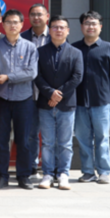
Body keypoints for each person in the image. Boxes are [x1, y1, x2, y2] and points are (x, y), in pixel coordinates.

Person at [73, 11, 110, 185]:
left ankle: (103, 171)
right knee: (83, 139)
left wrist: (105, 90)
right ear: (81, 26)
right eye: (87, 23)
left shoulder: (109, 48)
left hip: (101, 101)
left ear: (100, 27)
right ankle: (88, 172)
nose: (91, 27)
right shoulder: (75, 48)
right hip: (79, 101)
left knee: (102, 138)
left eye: (94, 23)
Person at [0, 9, 39, 190]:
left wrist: (8, 77)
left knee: (24, 141)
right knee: (1, 140)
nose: (12, 25)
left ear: (21, 24)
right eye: (9, 22)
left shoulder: (30, 47)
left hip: (24, 99)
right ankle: (1, 176)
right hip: (1, 99)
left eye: (16, 22)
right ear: (3, 25)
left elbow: (31, 73)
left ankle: (24, 176)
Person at [36, 16, 83, 191]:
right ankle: (48, 174)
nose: (58, 30)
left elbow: (77, 77)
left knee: (65, 143)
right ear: (49, 30)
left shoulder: (76, 52)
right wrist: (50, 93)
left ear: (68, 31)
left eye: (62, 27)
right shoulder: (40, 52)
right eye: (55, 27)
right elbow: (37, 76)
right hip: (45, 103)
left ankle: (63, 174)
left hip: (67, 104)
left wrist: (58, 94)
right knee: (47, 142)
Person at [21, 3, 50, 178]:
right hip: (28, 94)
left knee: (49, 135)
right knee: (31, 135)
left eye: (40, 14)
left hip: (49, 95)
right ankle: (32, 166)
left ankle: (50, 169)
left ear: (47, 16)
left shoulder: (55, 35)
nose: (36, 17)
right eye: (33, 14)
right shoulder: (22, 37)